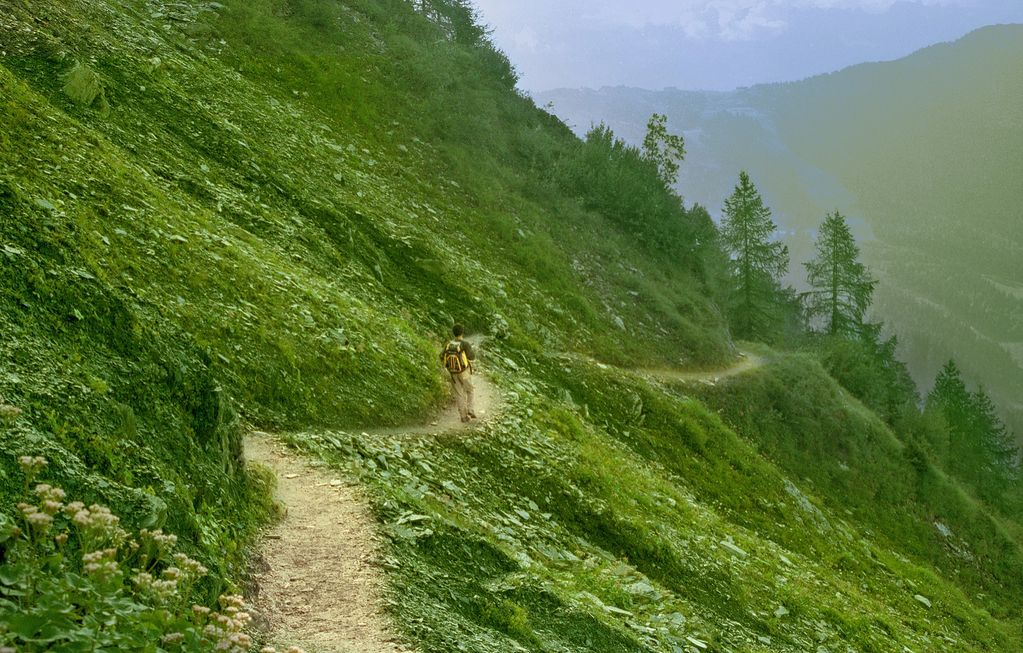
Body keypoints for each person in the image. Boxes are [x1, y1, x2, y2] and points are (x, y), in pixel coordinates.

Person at [440, 324, 476, 423]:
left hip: (453, 373)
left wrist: (449, 366)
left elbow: (441, 356)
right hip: (464, 372)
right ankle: (470, 410)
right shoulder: (464, 344)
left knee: (459, 394)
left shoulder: (448, 344)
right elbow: (472, 357)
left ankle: (463, 417)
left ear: (453, 333)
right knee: (470, 390)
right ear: (462, 332)